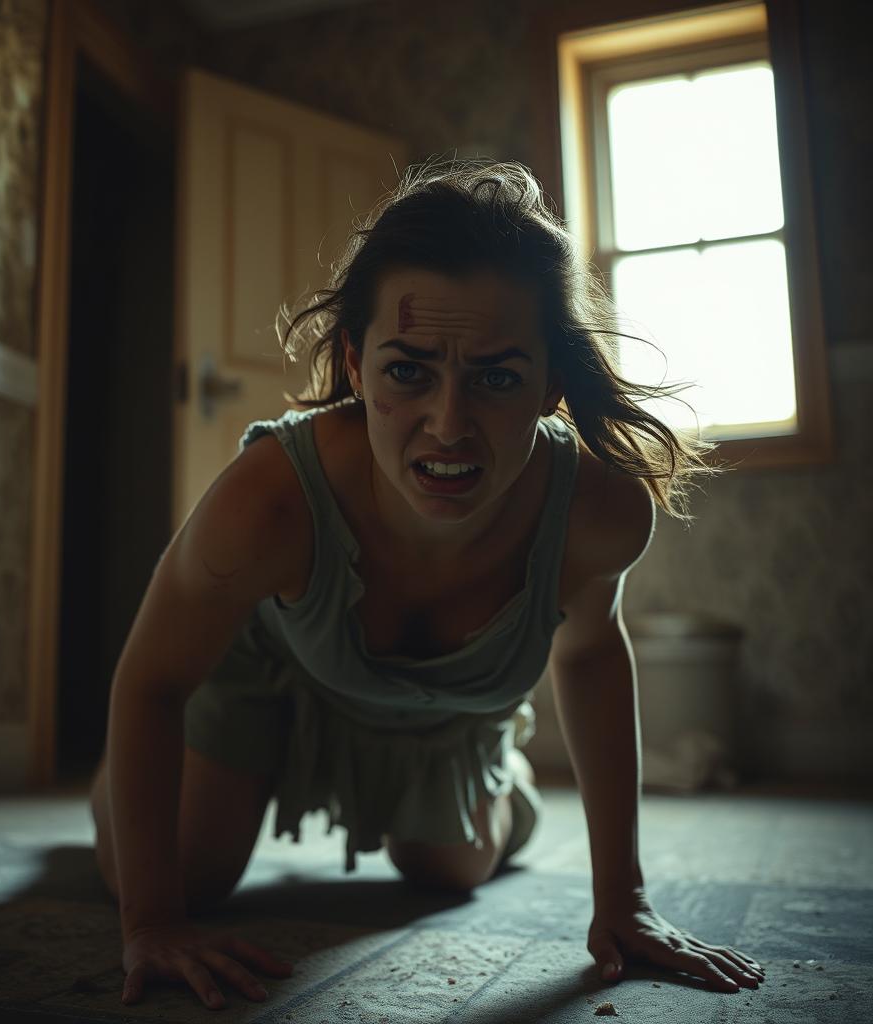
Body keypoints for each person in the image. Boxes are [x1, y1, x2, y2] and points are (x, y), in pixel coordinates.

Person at [89, 159, 766, 1010]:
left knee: (447, 871)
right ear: (357, 363)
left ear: (550, 383)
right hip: (271, 673)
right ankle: (121, 792)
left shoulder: (600, 513)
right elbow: (152, 679)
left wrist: (623, 899)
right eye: (408, 370)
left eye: (496, 377)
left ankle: (494, 767)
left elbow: (591, 656)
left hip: (445, 713)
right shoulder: (265, 504)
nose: (449, 427)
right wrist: (150, 921)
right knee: (171, 876)